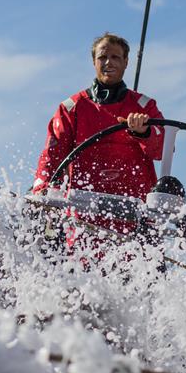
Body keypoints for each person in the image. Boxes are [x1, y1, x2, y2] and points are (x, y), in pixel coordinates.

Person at [32, 32, 165, 242]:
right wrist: (42, 189)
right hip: (84, 215)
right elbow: (52, 154)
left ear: (126, 62)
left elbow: (162, 150)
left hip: (135, 215)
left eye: (115, 57)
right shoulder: (71, 108)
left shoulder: (144, 107)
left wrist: (144, 132)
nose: (108, 62)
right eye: (103, 57)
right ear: (94, 62)